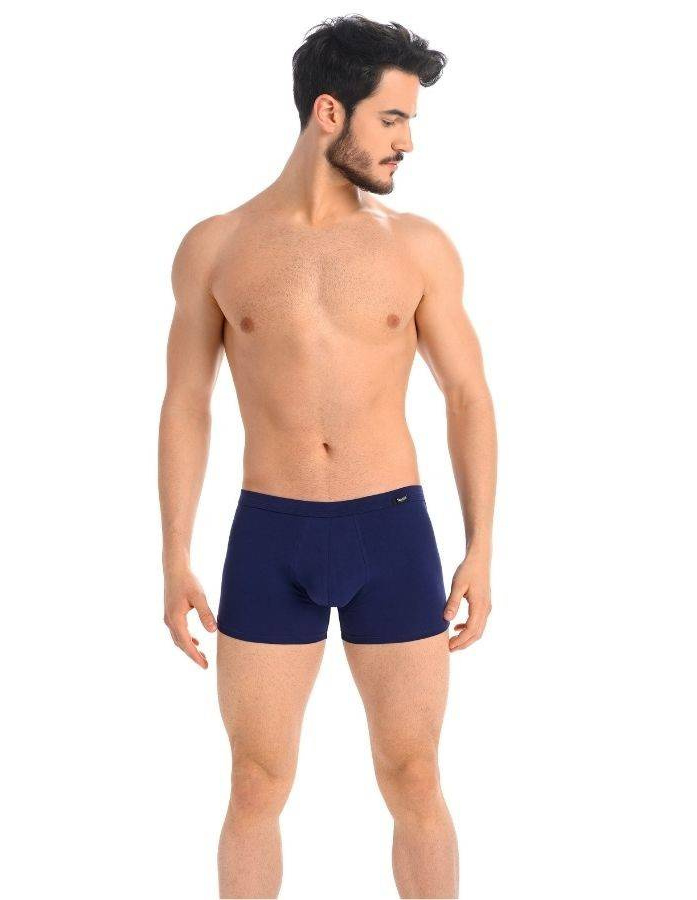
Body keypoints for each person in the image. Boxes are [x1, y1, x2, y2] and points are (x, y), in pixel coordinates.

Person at [158, 14, 497, 899]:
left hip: (392, 532)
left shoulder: (416, 247)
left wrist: (480, 546)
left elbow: (467, 395)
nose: (408, 141)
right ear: (329, 113)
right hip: (271, 536)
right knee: (254, 784)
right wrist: (174, 552)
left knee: (414, 776)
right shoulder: (217, 246)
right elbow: (186, 402)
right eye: (393, 118)